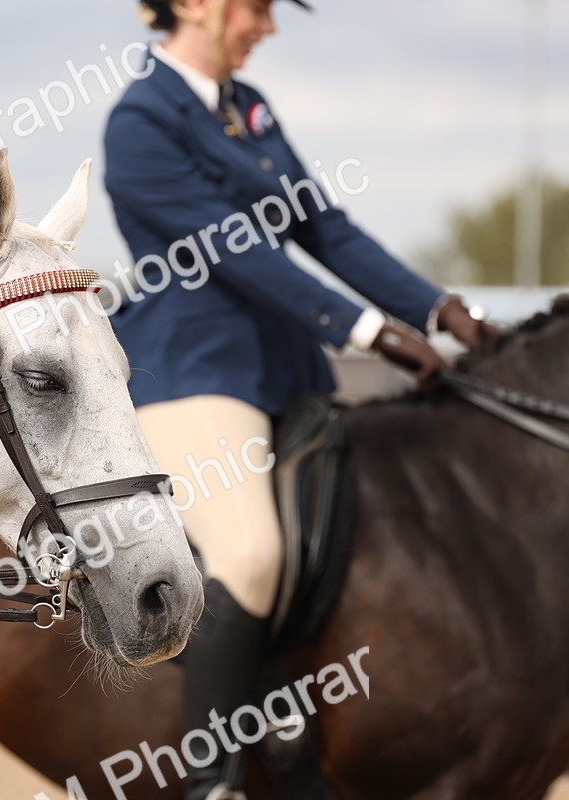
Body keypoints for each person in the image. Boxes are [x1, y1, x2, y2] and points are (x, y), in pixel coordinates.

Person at [102, 1, 494, 798]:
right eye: (257, 8)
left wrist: (443, 311)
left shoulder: (250, 110)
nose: (268, 27)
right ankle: (211, 780)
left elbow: (327, 230)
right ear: (200, 4)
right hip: (195, 372)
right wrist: (366, 331)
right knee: (251, 555)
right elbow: (232, 248)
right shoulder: (139, 121)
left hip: (286, 376)